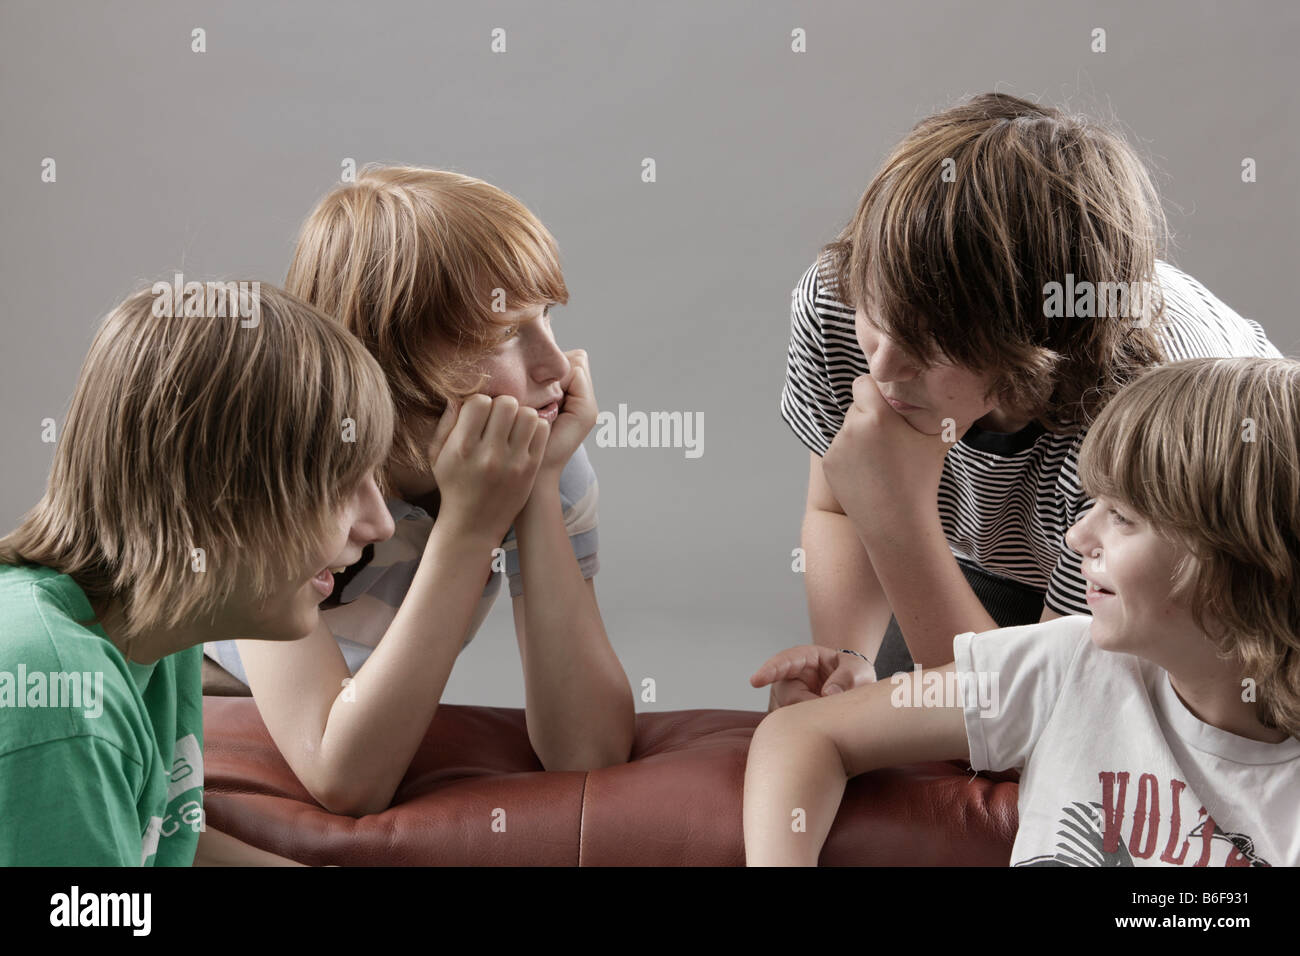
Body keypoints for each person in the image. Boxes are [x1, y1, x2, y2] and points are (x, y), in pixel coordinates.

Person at [772, 92, 1283, 704]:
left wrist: (899, 522)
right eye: (877, 320)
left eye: (932, 347)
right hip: (990, 556)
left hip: (1210, 581)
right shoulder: (838, 293)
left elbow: (1038, 715)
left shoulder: (1142, 404)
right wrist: (848, 664)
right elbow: (836, 509)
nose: (881, 368)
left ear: (1036, 346)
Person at [745, 357, 1300, 867]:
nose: (1079, 535)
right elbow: (802, 734)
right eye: (1093, 503)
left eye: (1124, 517)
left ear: (1243, 561)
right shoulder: (1066, 664)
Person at [204, 166, 635, 816]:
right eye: (502, 333)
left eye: (546, 318)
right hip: (186, 708)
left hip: (352, 710)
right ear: (387, 357)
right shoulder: (269, 473)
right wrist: (468, 529)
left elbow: (590, 752)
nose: (556, 366)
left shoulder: (525, 458)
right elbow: (345, 778)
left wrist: (540, 488)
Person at [0, 282, 395, 864]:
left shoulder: (154, 642)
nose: (380, 524)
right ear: (212, 495)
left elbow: (146, 835)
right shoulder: (58, 695)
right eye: (341, 484)